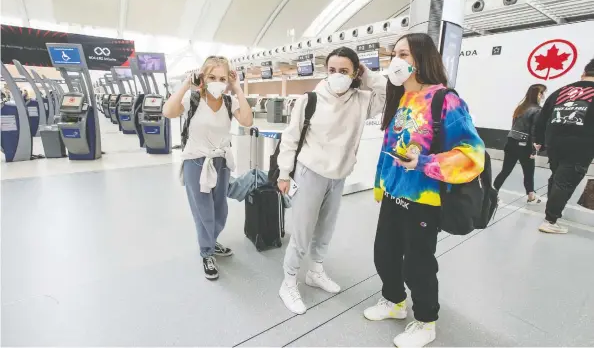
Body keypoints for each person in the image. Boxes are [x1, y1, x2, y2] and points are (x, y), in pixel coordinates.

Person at [365, 33, 484, 348]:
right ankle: (393, 302)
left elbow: (472, 154)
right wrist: (381, 184)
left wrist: (425, 163)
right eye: (394, 53)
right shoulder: (403, 100)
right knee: (385, 254)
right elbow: (389, 148)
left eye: (404, 53)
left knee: (417, 263)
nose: (396, 60)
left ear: (422, 59)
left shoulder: (446, 100)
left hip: (424, 199)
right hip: (393, 194)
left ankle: (426, 321)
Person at [276, 46, 386, 315]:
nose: (337, 76)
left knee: (325, 229)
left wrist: (366, 74)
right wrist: (283, 173)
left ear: (355, 72)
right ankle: (288, 281)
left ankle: (315, 271)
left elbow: (388, 91)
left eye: (344, 71)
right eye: (332, 70)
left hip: (339, 176)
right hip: (309, 172)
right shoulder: (310, 99)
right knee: (302, 232)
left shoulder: (362, 100)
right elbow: (290, 138)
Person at [163, 56, 253, 280]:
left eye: (222, 78)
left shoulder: (229, 102)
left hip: (221, 161)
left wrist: (237, 89)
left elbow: (248, 121)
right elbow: (168, 111)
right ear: (202, 77)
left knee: (220, 209)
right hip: (196, 162)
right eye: (212, 77)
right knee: (203, 211)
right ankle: (207, 252)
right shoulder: (193, 100)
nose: (217, 81)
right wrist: (186, 84)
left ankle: (212, 241)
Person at [534, 58, 594, 234]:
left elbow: (542, 118)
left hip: (554, 142)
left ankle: (550, 212)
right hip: (581, 144)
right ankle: (550, 220)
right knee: (566, 181)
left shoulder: (562, 91)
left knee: (557, 176)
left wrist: (539, 140)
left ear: (584, 73)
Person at [493, 84, 547, 202]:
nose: (543, 96)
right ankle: (531, 196)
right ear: (537, 94)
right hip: (525, 144)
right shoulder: (537, 110)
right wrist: (533, 150)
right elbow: (534, 131)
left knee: (506, 170)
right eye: (542, 93)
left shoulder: (521, 108)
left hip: (511, 141)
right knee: (528, 171)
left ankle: (493, 192)